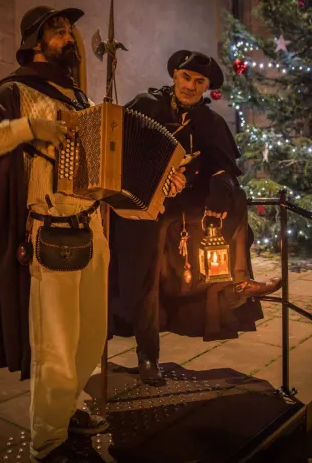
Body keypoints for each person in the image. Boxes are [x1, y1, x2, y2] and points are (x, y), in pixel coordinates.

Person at [0, 6, 186, 463]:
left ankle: (71, 409)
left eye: (71, 29)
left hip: (93, 233)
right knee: (56, 349)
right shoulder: (14, 91)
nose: (70, 36)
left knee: (88, 340)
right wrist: (26, 128)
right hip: (49, 235)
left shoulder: (81, 101)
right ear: (34, 42)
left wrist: (161, 186)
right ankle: (49, 444)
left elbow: (111, 184)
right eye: (58, 29)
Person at [108, 50, 282, 386]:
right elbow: (117, 147)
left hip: (186, 208)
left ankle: (236, 284)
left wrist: (214, 185)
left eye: (199, 81)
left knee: (235, 206)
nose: (191, 85)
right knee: (144, 275)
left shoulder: (209, 122)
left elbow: (225, 167)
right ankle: (148, 356)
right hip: (145, 207)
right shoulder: (145, 106)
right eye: (186, 77)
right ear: (174, 74)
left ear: (206, 87)